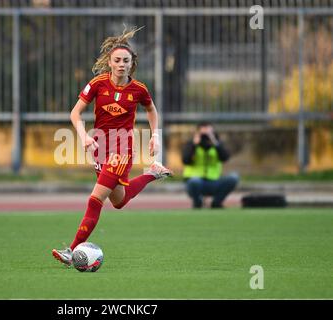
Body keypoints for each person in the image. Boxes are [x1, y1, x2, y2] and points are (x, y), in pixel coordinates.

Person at [52, 27, 173, 266]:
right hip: (99, 147)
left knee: (95, 199)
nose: (121, 64)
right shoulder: (97, 84)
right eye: (117, 60)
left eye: (125, 61)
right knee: (118, 201)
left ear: (132, 64)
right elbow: (75, 113)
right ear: (110, 61)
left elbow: (151, 110)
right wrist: (84, 136)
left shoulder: (139, 89)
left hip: (122, 149)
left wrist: (155, 136)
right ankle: (152, 173)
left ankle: (72, 249)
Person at [182, 122, 239, 209]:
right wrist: (194, 145)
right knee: (194, 181)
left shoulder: (217, 144)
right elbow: (185, 160)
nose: (205, 136)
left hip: (214, 182)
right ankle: (197, 203)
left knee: (234, 177)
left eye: (208, 133)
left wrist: (215, 143)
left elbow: (225, 157)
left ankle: (216, 203)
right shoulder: (191, 144)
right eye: (203, 134)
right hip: (196, 183)